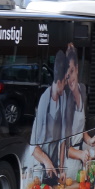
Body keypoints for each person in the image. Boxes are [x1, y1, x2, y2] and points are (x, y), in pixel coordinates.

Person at [30, 50, 67, 182]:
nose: (67, 84)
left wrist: (62, 170)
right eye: (65, 81)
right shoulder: (44, 101)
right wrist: (46, 162)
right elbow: (33, 147)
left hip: (54, 167)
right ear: (59, 82)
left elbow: (63, 139)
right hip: (40, 166)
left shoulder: (63, 98)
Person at [63, 44, 95, 177]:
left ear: (77, 69)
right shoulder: (65, 99)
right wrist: (81, 154)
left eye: (71, 71)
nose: (70, 78)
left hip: (81, 161)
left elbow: (81, 129)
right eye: (66, 75)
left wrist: (89, 140)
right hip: (68, 164)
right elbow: (63, 147)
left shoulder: (82, 90)